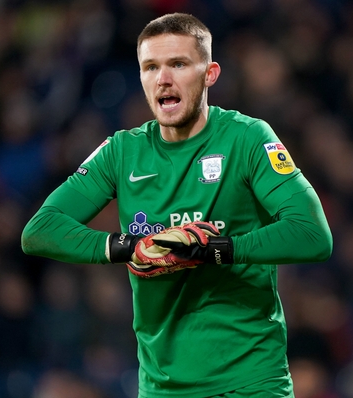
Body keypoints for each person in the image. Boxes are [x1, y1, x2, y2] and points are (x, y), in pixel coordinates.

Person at [21, 12, 333, 398]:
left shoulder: (248, 138)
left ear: (210, 73)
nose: (163, 79)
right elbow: (39, 230)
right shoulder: (122, 152)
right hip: (162, 387)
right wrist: (128, 248)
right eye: (150, 67)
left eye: (179, 64)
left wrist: (214, 250)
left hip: (250, 382)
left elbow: (313, 234)